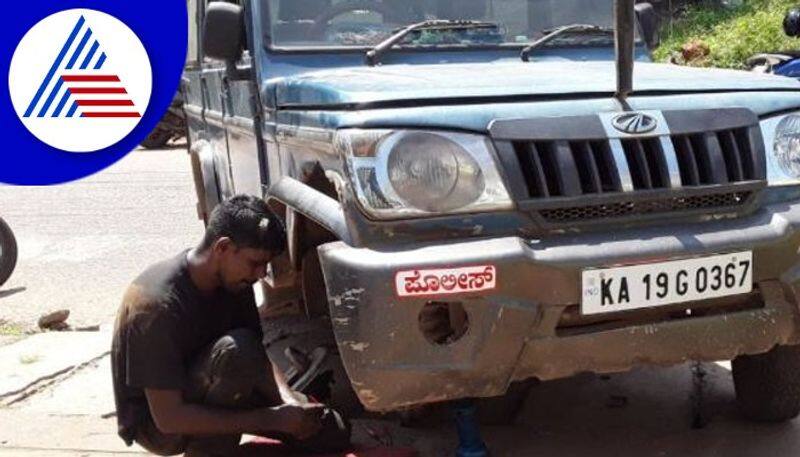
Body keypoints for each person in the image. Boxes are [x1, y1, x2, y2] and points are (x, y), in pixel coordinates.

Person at [111, 195, 349, 456]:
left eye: (265, 265)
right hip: (160, 424)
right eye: (255, 263)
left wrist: (288, 401)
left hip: (221, 380)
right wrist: (270, 418)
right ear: (222, 248)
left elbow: (257, 357)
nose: (261, 274)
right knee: (238, 352)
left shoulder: (235, 279)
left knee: (330, 431)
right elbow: (168, 418)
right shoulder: (156, 306)